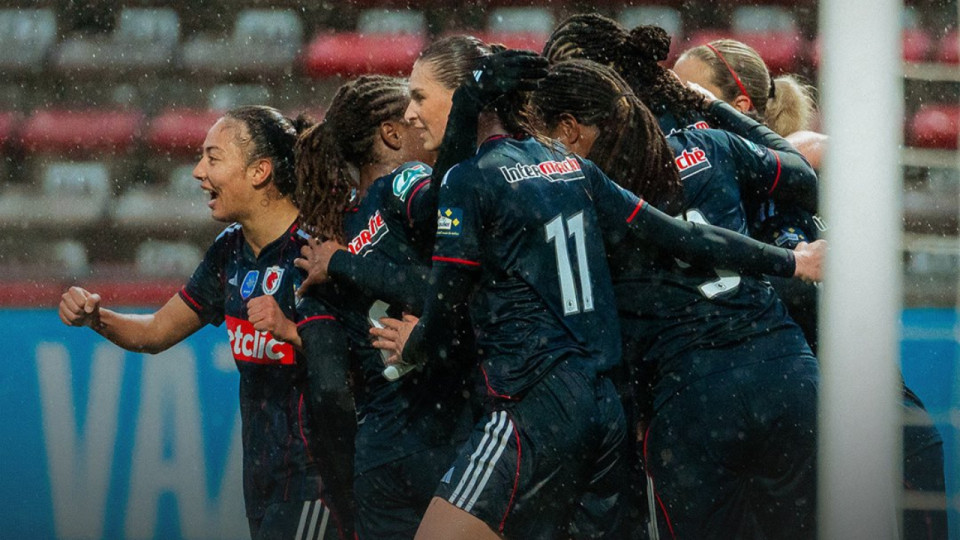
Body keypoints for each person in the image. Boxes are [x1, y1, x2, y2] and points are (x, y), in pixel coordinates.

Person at [371, 37, 825, 540]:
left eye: (418, 96)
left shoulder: (471, 179)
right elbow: (686, 235)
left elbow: (446, 314)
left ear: (465, 98)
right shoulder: (576, 169)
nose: (409, 112)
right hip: (609, 403)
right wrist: (790, 260)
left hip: (536, 399)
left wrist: (409, 337)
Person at [534, 58, 823, 540]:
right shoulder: (709, 144)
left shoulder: (583, 195)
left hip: (690, 394)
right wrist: (715, 109)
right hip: (785, 369)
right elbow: (800, 174)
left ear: (572, 128)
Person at [675, 37, 948, 540]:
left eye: (686, 93)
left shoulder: (796, 170)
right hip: (790, 418)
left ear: (736, 108)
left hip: (862, 408)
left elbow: (842, 157)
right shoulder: (703, 183)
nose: (671, 104)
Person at [58, 106, 355, 540]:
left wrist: (291, 332)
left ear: (259, 172)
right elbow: (155, 333)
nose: (198, 172)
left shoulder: (316, 251)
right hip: (263, 482)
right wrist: (96, 318)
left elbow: (359, 358)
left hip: (318, 479)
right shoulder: (229, 251)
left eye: (213, 158)